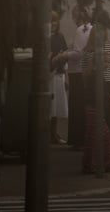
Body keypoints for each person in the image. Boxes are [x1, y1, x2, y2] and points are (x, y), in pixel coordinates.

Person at [80, 22, 110, 174]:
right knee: (106, 129)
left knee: (94, 133)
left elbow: (83, 70)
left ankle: (95, 162)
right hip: (109, 86)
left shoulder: (87, 50)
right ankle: (103, 161)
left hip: (102, 90)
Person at [65, 4, 92, 148]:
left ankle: (78, 139)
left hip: (78, 71)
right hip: (83, 71)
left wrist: (63, 55)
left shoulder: (82, 30)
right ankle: (81, 138)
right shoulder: (90, 29)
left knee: (76, 106)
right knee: (80, 105)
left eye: (74, 16)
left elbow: (78, 53)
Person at [48, 10, 70, 145]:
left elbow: (65, 55)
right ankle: (46, 134)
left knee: (56, 107)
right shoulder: (43, 37)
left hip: (59, 74)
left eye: (55, 21)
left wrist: (66, 77)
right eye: (50, 21)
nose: (53, 24)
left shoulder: (60, 37)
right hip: (48, 76)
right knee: (49, 106)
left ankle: (53, 134)